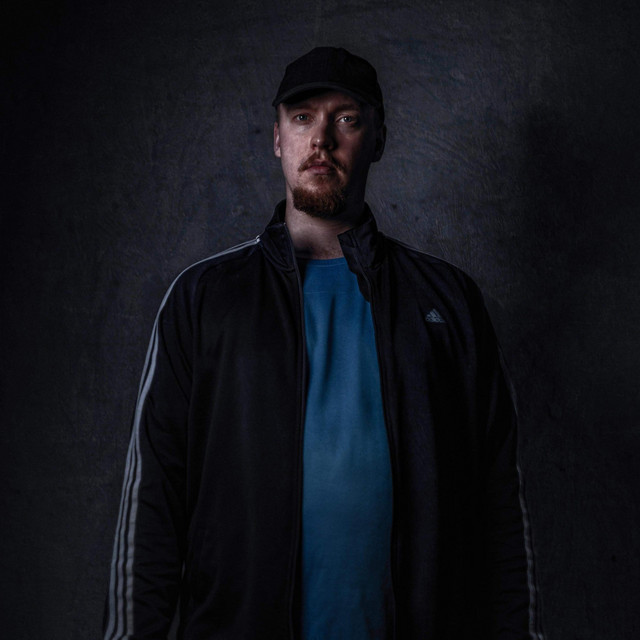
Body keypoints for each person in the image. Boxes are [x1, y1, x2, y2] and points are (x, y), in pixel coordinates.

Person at [104, 47, 540, 640]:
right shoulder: (205, 299)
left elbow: (499, 504)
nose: (322, 140)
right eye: (303, 117)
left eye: (347, 119)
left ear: (378, 139)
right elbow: (153, 503)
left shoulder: (447, 301)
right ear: (277, 138)